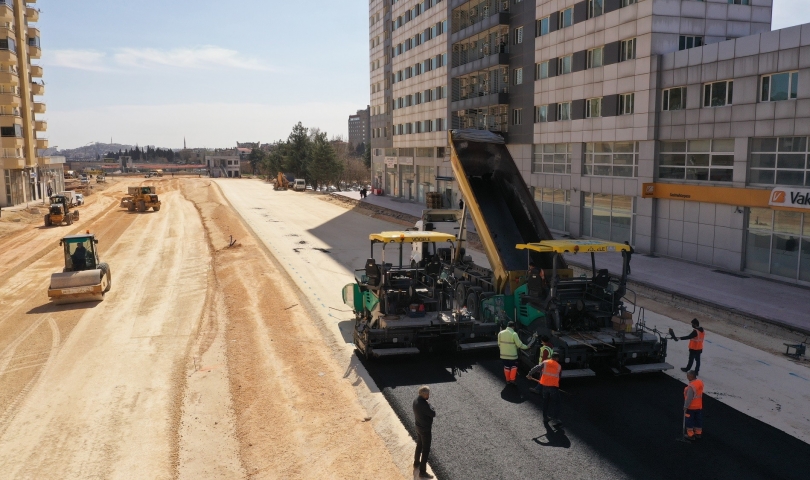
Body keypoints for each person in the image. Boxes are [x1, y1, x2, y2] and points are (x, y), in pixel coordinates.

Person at [527, 352, 563, 424]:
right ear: (556, 358)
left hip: (545, 386)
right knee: (557, 403)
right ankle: (555, 419)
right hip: (553, 387)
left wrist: (529, 374)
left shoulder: (545, 362)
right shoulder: (559, 366)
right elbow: (559, 377)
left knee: (545, 402)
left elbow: (536, 367)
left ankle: (545, 417)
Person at [412, 385, 436, 479]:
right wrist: (429, 405)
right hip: (425, 430)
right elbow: (433, 413)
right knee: (425, 450)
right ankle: (422, 472)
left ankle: (416, 463)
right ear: (425, 395)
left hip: (418, 427)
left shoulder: (415, 400)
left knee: (419, 445)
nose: (429, 395)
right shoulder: (424, 405)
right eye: (428, 394)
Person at [683, 370, 704, 441]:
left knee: (689, 421)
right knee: (698, 420)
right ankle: (698, 433)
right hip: (699, 406)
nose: (687, 377)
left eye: (688, 376)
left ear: (691, 376)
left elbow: (689, 398)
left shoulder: (691, 387)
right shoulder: (700, 382)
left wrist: (685, 407)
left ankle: (690, 435)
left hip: (691, 407)